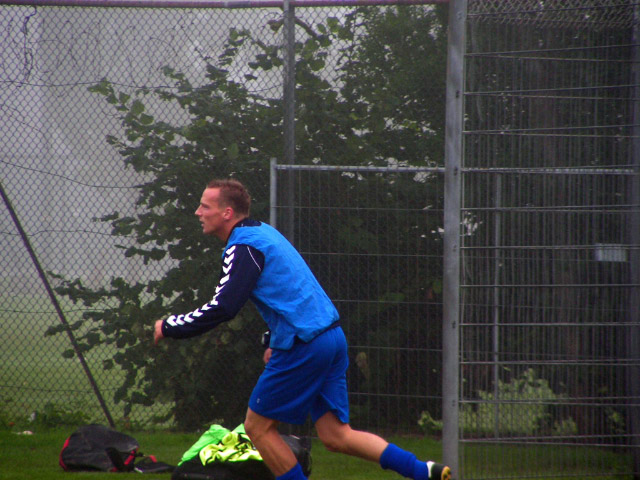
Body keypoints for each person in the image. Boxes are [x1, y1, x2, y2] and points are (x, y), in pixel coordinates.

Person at [154, 178, 451, 480]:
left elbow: (223, 306)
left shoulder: (243, 247)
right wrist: (275, 338)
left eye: (205, 206)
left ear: (227, 213)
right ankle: (424, 471)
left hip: (305, 344)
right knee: (337, 435)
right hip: (330, 338)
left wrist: (169, 326)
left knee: (258, 428)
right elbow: (292, 294)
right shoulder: (264, 234)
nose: (197, 212)